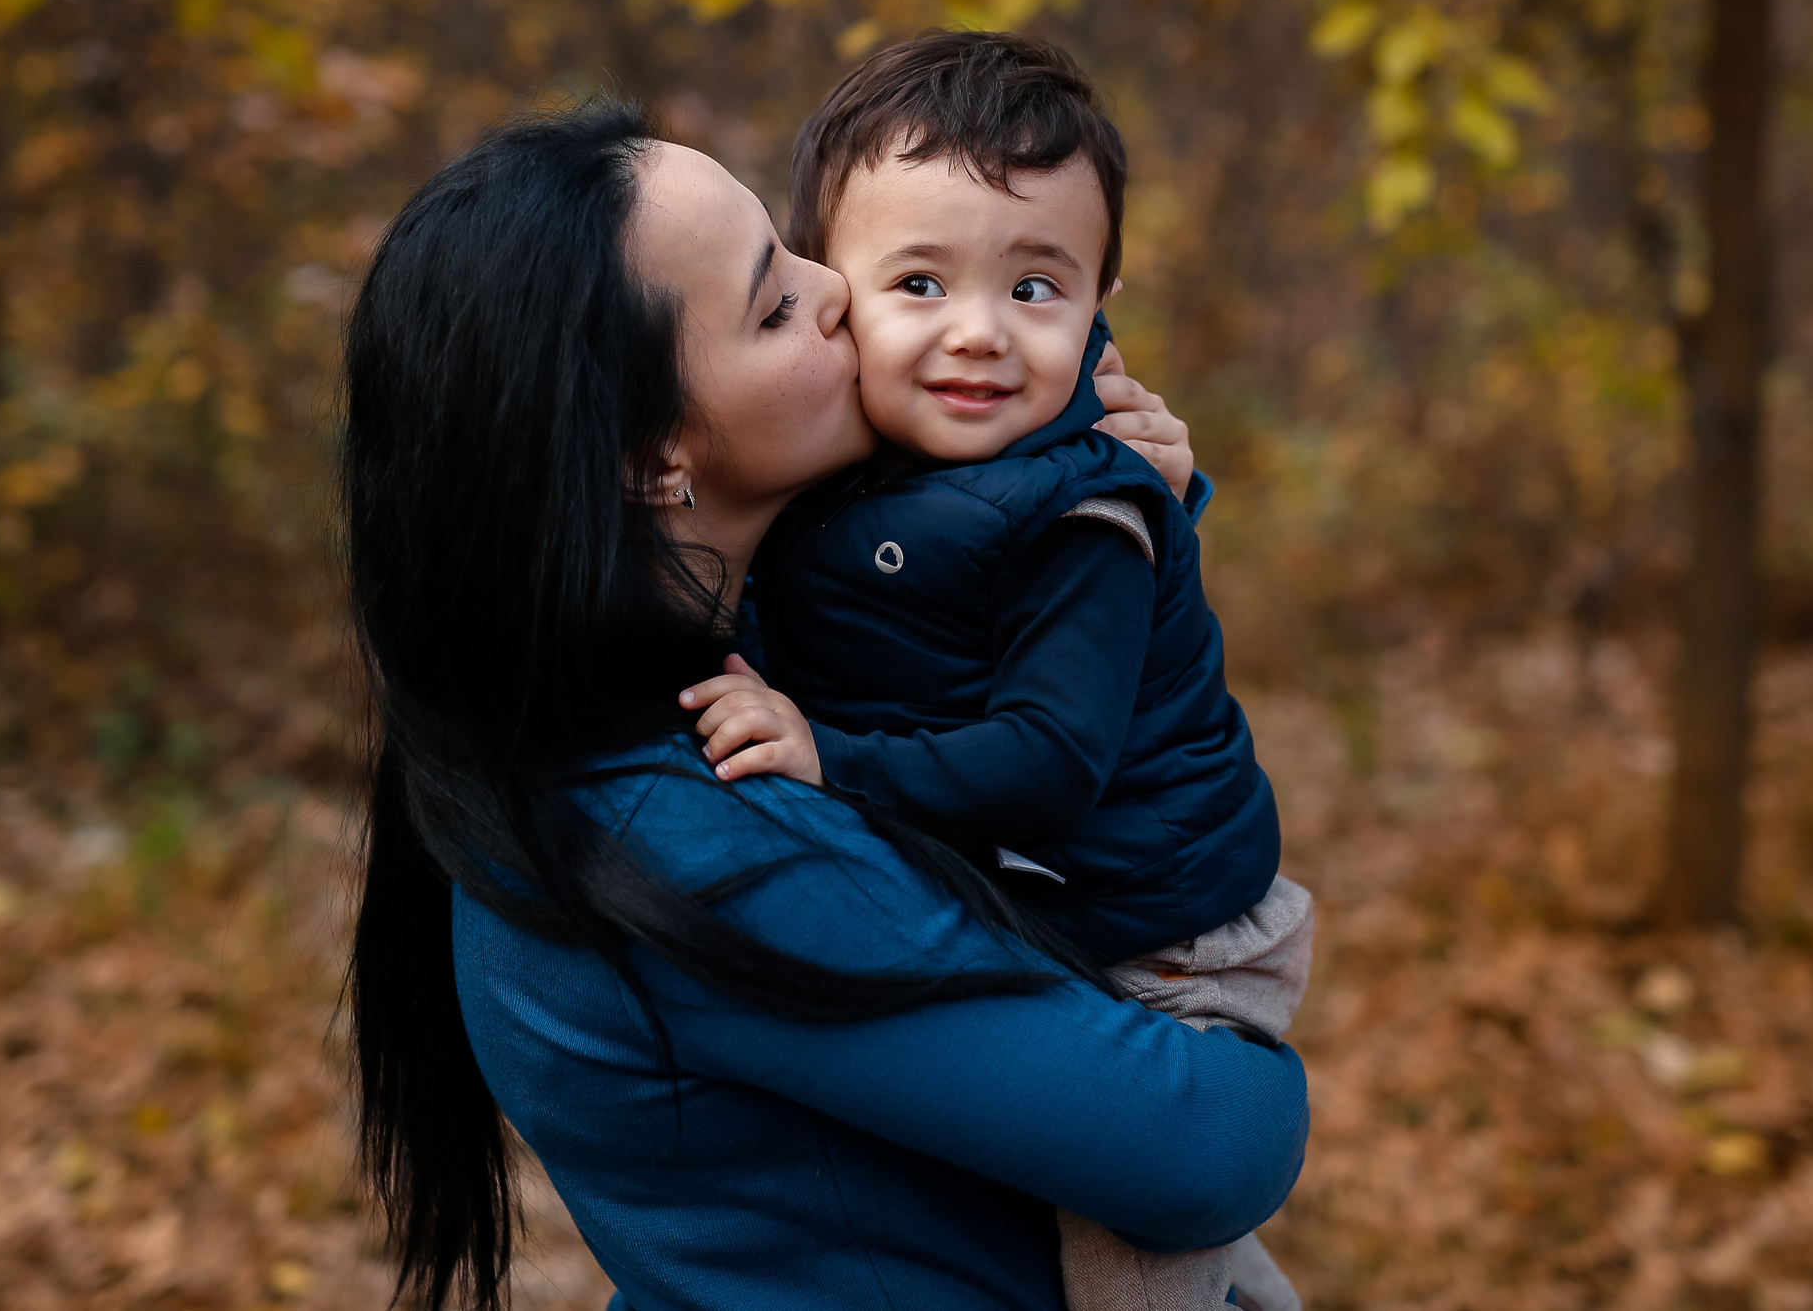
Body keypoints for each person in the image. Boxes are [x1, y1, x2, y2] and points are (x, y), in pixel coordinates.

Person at [341, 99, 1308, 1311]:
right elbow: (1208, 1148)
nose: (841, 289)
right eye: (774, 302)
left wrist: (1117, 520)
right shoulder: (695, 832)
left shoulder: (645, 710)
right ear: (652, 458)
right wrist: (1264, 1070)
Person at [671, 32, 1309, 1311]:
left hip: (1166, 945)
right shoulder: (865, 459)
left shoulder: (1084, 514)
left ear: (1098, 302)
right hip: (1053, 895)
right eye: (917, 282)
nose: (978, 335)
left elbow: (1047, 761)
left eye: (1036, 290)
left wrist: (822, 752)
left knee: (1124, 1269)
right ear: (830, 293)